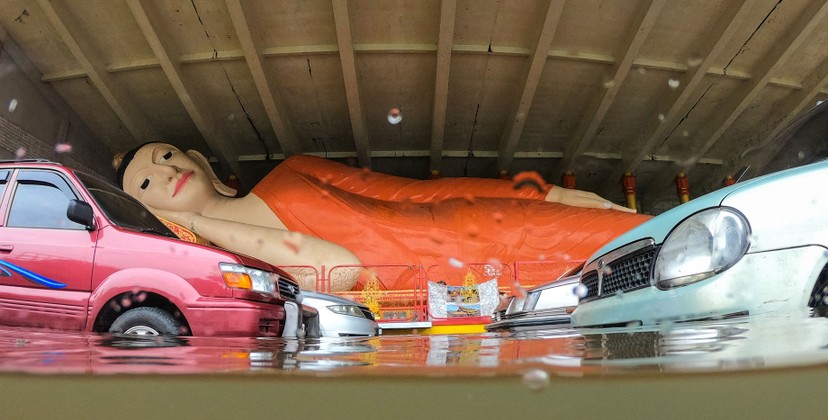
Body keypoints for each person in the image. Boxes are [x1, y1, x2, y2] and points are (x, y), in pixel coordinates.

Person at [114, 142, 649, 291]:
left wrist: (540, 195)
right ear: (149, 208)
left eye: (166, 156)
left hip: (477, 228)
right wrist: (201, 227)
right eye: (146, 182)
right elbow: (339, 271)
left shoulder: (291, 171)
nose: (165, 172)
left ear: (197, 159)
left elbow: (418, 194)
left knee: (648, 238)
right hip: (447, 293)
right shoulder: (230, 271)